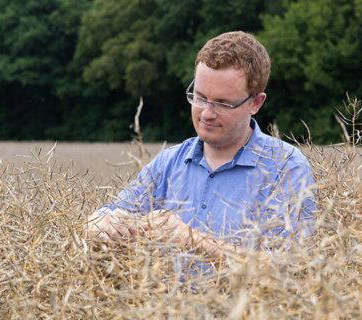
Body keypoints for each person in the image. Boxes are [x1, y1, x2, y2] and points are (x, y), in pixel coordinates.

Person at [83, 31, 314, 261]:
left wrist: (192, 240)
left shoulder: (285, 168)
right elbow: (106, 216)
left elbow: (290, 267)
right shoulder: (170, 163)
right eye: (200, 97)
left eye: (223, 103)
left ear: (255, 103)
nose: (206, 113)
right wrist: (99, 223)